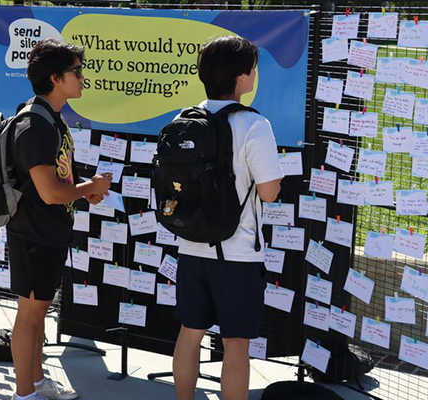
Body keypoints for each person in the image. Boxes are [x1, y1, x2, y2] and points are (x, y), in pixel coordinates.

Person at [172, 36, 283, 400]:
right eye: (253, 68)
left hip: (190, 246)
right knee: (236, 345)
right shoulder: (255, 125)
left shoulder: (184, 120)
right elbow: (269, 192)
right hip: (238, 253)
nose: (255, 74)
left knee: (190, 334)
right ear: (241, 78)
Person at [7, 38, 112, 400]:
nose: (83, 78)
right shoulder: (36, 124)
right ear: (55, 78)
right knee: (29, 315)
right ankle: (25, 393)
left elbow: (59, 177)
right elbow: (50, 193)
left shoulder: (50, 118)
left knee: (37, 315)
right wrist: (88, 188)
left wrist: (85, 187)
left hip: (47, 232)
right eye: (76, 72)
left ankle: (37, 382)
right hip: (34, 233)